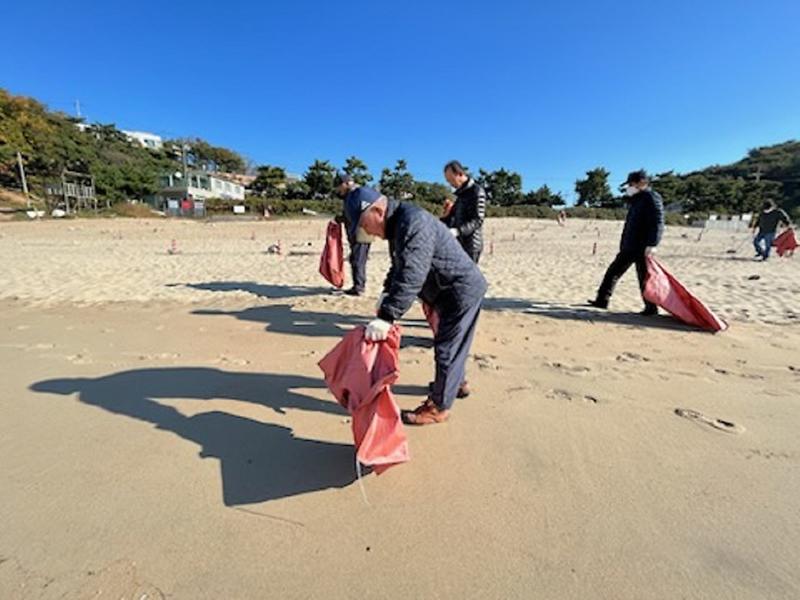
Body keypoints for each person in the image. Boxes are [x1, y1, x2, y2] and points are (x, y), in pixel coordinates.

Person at [343, 192, 488, 425]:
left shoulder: (412, 222)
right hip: (444, 291)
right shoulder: (398, 223)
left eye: (363, 224)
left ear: (377, 211)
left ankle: (438, 407)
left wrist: (388, 316)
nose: (366, 232)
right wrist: (386, 291)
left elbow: (412, 273)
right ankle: (456, 384)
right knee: (451, 343)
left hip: (458, 290)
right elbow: (398, 265)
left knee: (446, 348)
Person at [589, 170, 664, 315]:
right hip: (630, 246)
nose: (629, 187)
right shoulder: (636, 199)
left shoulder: (651, 197)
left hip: (642, 246)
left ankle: (651, 307)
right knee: (613, 272)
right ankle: (602, 300)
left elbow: (658, 222)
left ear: (641, 183)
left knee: (643, 277)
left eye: (631, 184)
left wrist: (653, 244)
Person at [334, 173, 377, 296]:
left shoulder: (359, 193)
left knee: (358, 259)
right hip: (357, 231)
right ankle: (358, 285)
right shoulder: (349, 196)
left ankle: (359, 287)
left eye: (339, 186)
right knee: (356, 258)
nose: (338, 189)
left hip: (362, 231)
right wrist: (342, 218)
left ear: (346, 183)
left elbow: (360, 213)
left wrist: (343, 218)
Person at [442, 160, 487, 263]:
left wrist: (457, 231)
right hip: (459, 243)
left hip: (472, 245)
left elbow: (477, 220)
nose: (450, 184)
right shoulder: (460, 195)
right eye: (448, 181)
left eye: (451, 180)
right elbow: (451, 217)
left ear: (460, 174)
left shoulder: (477, 191)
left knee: (468, 278)